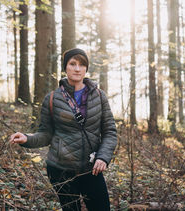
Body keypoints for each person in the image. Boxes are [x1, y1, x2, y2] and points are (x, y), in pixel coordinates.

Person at [10, 48, 117, 211]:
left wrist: (103, 157)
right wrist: (27, 138)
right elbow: (46, 134)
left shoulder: (99, 96)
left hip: (91, 168)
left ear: (86, 69)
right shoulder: (52, 98)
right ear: (65, 67)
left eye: (81, 64)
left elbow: (110, 132)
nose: (77, 68)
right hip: (61, 170)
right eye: (72, 64)